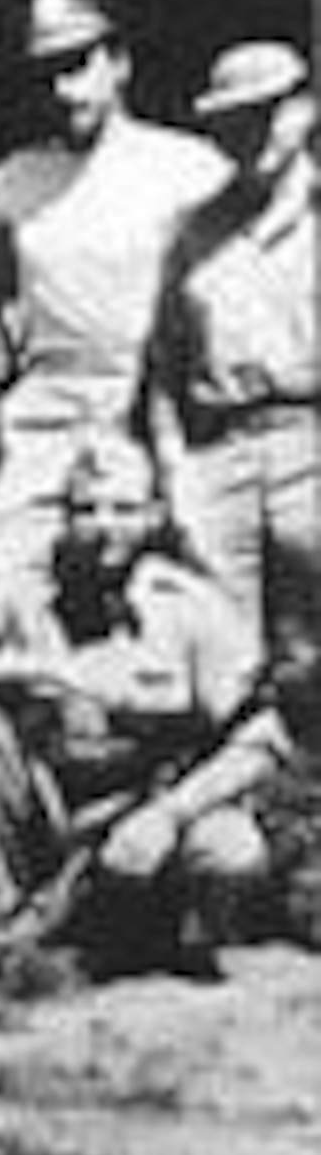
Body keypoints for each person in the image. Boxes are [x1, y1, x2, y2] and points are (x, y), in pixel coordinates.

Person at [0, 432, 293, 968]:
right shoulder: (23, 586)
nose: (104, 526)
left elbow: (261, 739)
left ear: (156, 516)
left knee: (231, 851)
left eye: (124, 509)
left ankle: (155, 936)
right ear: (62, 517)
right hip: (43, 799)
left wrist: (166, 816)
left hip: (143, 804)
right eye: (85, 509)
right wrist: (38, 670)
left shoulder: (189, 605)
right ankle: (1, 912)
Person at [0, 0, 230, 580]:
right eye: (46, 73)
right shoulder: (12, 182)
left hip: (151, 405)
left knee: (196, 571)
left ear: (118, 63)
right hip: (46, 413)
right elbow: (0, 305)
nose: (63, 90)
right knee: (4, 574)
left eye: (78, 65)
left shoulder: (186, 168)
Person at [146, 41, 318, 736]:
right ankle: (237, 810)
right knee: (229, 663)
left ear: (304, 111)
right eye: (234, 122)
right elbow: (162, 369)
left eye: (267, 115)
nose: (253, 136)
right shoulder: (194, 230)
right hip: (221, 451)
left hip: (310, 439)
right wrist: (174, 468)